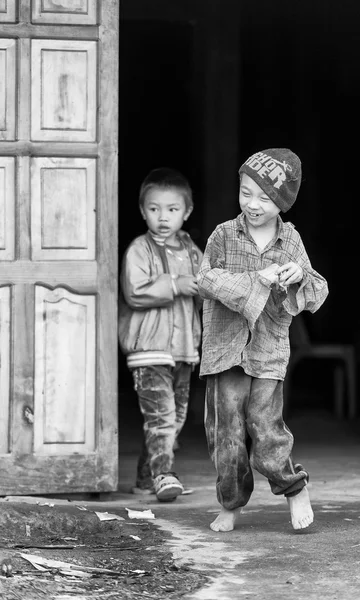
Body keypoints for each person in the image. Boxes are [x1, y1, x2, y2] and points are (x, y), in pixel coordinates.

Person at [197, 148, 328, 532]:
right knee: (227, 433)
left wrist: (296, 276)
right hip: (225, 349)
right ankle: (231, 503)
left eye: (266, 198)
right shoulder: (223, 234)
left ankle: (293, 487)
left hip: (268, 350)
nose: (253, 204)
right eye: (246, 192)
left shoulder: (290, 240)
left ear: (283, 202)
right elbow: (204, 279)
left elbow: (318, 290)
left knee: (266, 426)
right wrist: (255, 281)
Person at [118, 168, 203, 502]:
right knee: (162, 417)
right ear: (143, 211)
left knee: (175, 418)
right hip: (149, 348)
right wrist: (175, 284)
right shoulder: (139, 249)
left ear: (187, 212)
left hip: (183, 349)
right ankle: (163, 474)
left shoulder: (193, 252)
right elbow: (134, 291)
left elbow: (202, 291)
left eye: (172, 210)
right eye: (154, 209)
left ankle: (145, 478)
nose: (163, 217)